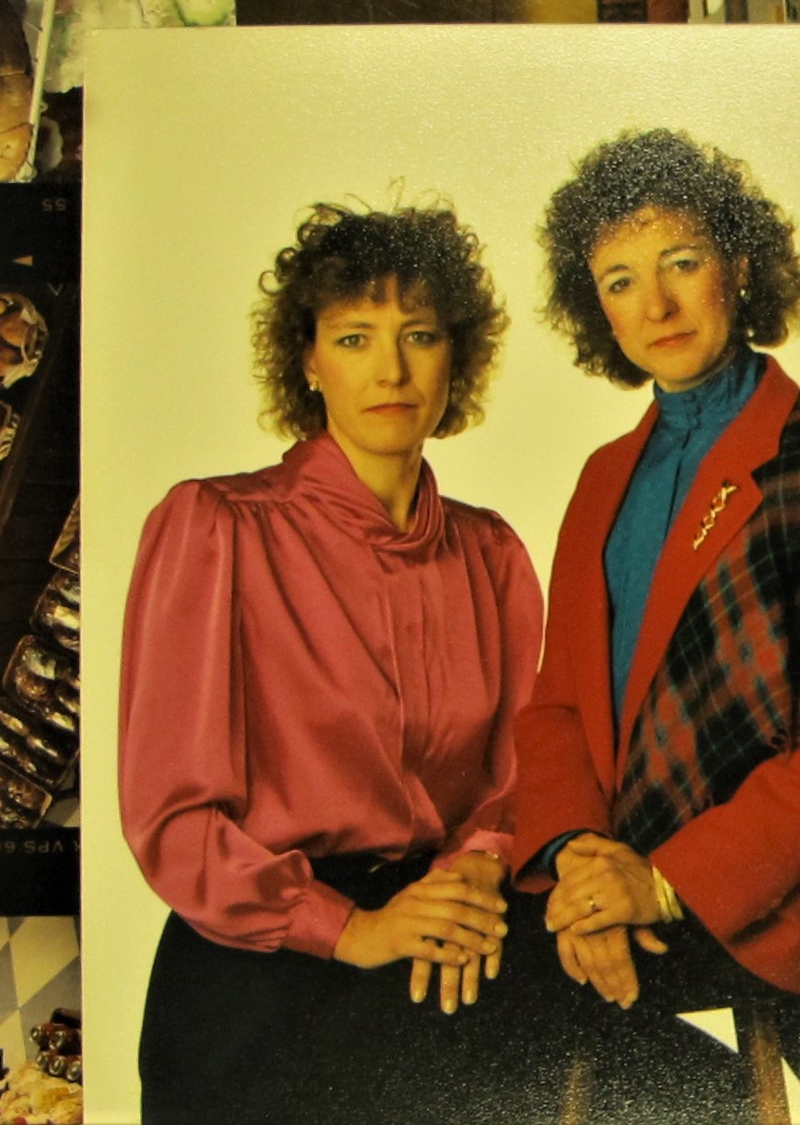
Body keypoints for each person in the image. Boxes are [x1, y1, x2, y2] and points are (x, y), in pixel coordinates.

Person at [508, 128, 800, 1118]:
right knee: (441, 984)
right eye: (620, 279)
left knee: (504, 1003)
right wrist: (578, 870)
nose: (657, 304)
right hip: (610, 880)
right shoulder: (601, 479)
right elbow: (554, 711)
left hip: (767, 895)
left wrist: (660, 885)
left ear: (742, 265)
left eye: (683, 263)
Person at [118, 201, 546, 1124]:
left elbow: (515, 779)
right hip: (255, 980)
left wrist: (474, 869)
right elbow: (173, 818)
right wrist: (350, 930)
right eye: (355, 337)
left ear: (454, 357)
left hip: (439, 955)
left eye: (419, 335)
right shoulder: (217, 529)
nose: (390, 370)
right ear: (308, 360)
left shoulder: (493, 555)